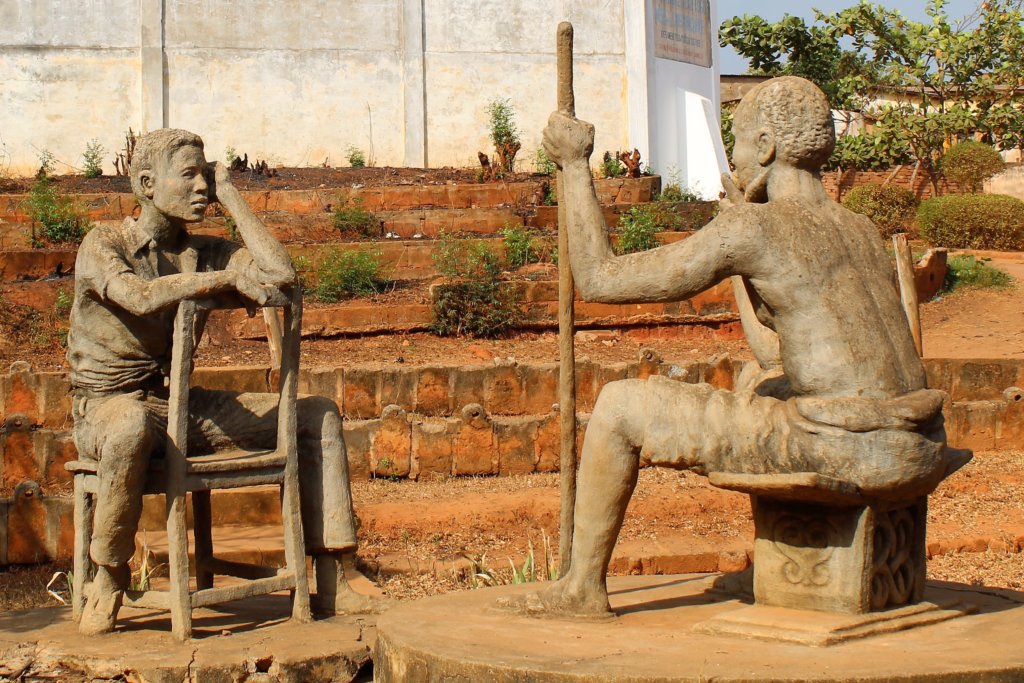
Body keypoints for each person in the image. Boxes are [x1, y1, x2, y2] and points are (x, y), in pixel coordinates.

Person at [509, 76, 969, 618]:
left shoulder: (757, 227)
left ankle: (580, 588)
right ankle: (786, 567)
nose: (735, 158)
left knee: (619, 407)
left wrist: (574, 166)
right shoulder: (859, 227)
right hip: (915, 440)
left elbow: (601, 278)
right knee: (761, 381)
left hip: (841, 446)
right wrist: (738, 260)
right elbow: (777, 351)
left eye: (740, 142)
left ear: (767, 146)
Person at [68, 128, 380, 635]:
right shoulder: (104, 243)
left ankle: (335, 576)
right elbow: (140, 297)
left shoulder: (204, 251)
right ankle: (110, 574)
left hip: (174, 408)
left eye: (204, 175)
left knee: (314, 415)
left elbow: (281, 276)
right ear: (147, 183)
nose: (201, 187)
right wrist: (222, 281)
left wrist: (231, 193)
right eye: (189, 175)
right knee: (128, 429)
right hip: (106, 407)